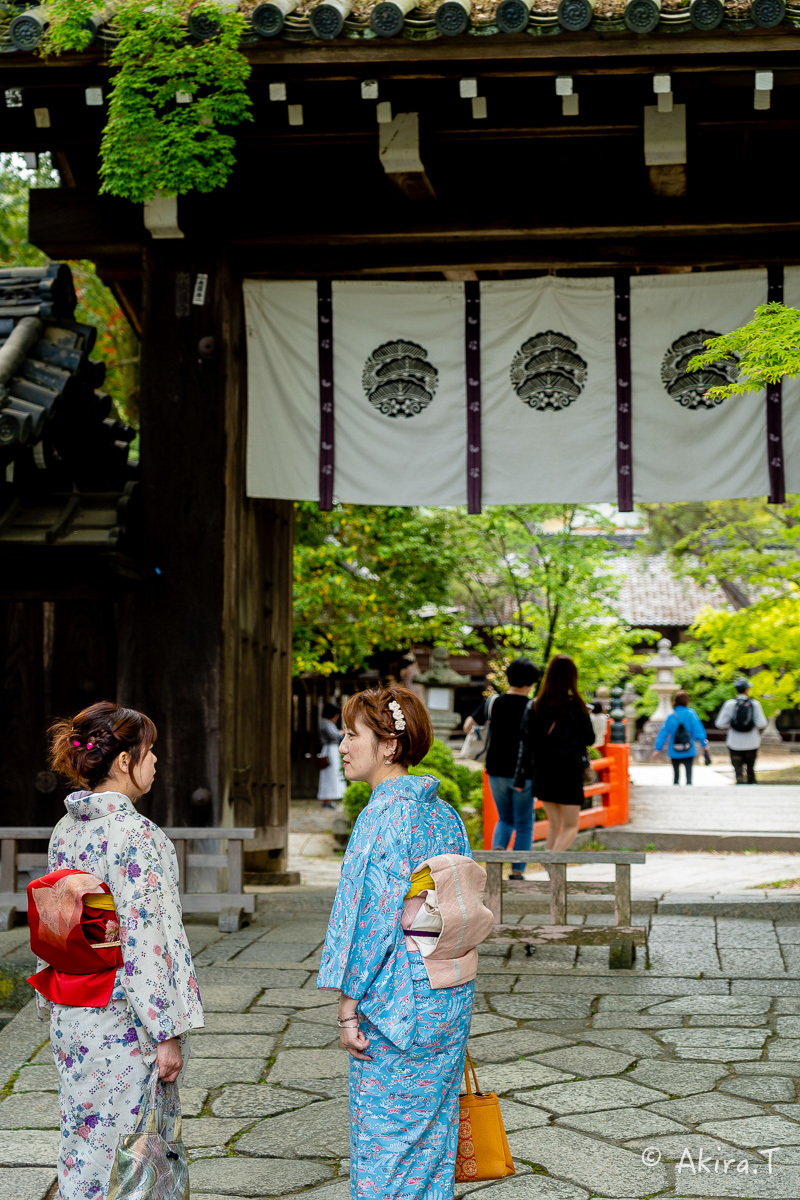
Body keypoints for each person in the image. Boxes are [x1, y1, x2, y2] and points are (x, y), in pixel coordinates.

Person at [317, 685, 485, 1200]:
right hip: (446, 989)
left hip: (397, 1005)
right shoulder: (442, 811)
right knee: (432, 1140)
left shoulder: (384, 815)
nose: (342, 746)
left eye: (352, 735)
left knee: (386, 1145)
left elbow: (370, 920)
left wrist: (348, 1005)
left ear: (389, 745)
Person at [33, 702, 204, 1200]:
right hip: (124, 1020)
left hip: (74, 1010)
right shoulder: (136, 835)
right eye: (150, 752)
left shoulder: (67, 829)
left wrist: (53, 999)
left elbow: (55, 926)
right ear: (125, 760)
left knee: (84, 1142)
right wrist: (166, 1030)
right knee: (129, 1155)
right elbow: (150, 940)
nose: (156, 763)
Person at [463, 657, 541, 880]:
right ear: (531, 683)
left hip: (495, 770)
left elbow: (469, 724)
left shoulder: (493, 702)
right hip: (523, 774)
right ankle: (517, 871)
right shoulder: (533, 706)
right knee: (524, 822)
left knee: (505, 818)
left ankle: (496, 859)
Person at [514, 654, 594, 852]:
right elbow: (590, 738)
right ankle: (552, 866)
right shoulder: (576, 705)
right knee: (571, 826)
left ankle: (551, 875)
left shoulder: (535, 705)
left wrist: (521, 776)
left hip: (543, 771)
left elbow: (527, 741)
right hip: (569, 772)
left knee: (554, 825)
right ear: (571, 678)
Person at [716, 679, 768, 785]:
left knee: (737, 769)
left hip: (734, 741)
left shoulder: (730, 704)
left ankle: (739, 782)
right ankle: (751, 783)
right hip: (752, 741)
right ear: (747, 689)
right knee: (750, 768)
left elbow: (719, 724)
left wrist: (732, 725)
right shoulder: (755, 704)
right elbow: (762, 723)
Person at [652, 689, 708, 785]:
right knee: (689, 775)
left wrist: (658, 748)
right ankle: (688, 789)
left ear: (675, 701)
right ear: (687, 701)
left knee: (676, 775)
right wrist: (704, 744)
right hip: (688, 747)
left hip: (674, 748)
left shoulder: (671, 715)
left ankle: (675, 789)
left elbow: (663, 732)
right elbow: (698, 730)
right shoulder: (691, 714)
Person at [318, 700, 345, 809]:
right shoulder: (325, 723)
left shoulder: (328, 723)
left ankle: (329, 799)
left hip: (332, 750)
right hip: (330, 750)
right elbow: (334, 735)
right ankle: (326, 799)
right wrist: (342, 732)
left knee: (332, 775)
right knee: (329, 775)